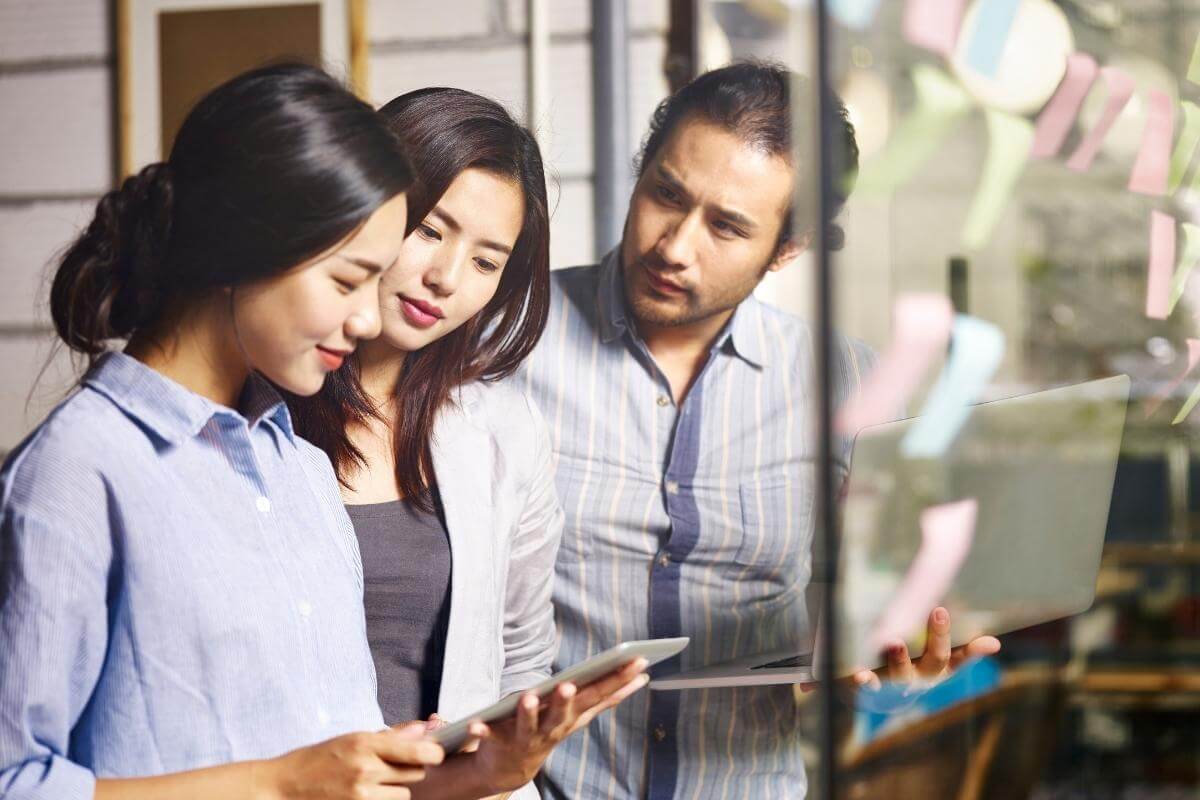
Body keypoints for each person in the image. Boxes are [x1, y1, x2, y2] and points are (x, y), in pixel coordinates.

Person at [518, 61, 1002, 799]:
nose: (675, 246)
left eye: (726, 227)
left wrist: (894, 670)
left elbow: (863, 618)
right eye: (665, 195)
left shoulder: (848, 384)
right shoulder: (510, 340)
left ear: (788, 250)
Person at [0, 63, 446, 800]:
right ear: (241, 247)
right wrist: (280, 784)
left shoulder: (301, 469)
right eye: (345, 281)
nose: (369, 319)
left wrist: (465, 777)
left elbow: (338, 767)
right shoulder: (75, 473)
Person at [288, 87, 648, 800]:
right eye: (429, 230)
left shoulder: (503, 434)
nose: (445, 279)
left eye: (486, 261)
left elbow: (520, 657)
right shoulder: (258, 413)